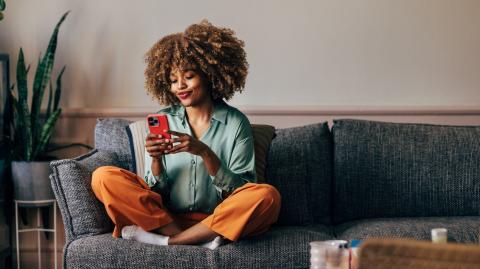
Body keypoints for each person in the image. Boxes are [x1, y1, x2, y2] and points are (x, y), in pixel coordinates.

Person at [91, 20, 281, 250]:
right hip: (166, 219)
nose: (180, 86)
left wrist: (204, 151)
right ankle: (190, 239)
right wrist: (156, 160)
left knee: (267, 196)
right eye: (173, 80)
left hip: (216, 220)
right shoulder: (164, 119)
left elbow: (242, 190)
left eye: (189, 76)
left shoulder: (235, 123)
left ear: (209, 75)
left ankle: (173, 242)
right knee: (102, 176)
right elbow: (153, 194)